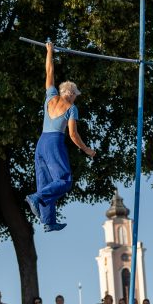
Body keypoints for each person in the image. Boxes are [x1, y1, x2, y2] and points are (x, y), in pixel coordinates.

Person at [24, 42, 95, 233]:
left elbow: (49, 72)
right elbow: (72, 134)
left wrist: (49, 51)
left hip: (41, 144)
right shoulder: (71, 108)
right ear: (71, 94)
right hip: (55, 143)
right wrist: (87, 149)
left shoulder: (51, 97)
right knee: (64, 181)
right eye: (75, 95)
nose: (75, 98)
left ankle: (48, 221)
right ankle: (36, 198)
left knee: (48, 184)